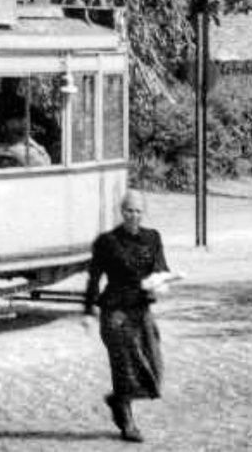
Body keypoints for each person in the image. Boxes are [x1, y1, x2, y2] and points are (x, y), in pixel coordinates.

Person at [83, 189, 170, 443]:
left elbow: (161, 268)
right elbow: (94, 279)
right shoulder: (107, 241)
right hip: (115, 313)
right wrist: (88, 311)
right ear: (122, 212)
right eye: (129, 211)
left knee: (153, 367)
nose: (134, 216)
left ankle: (117, 399)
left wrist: (160, 282)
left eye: (138, 211)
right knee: (125, 368)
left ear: (144, 213)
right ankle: (128, 423)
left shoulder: (153, 238)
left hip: (141, 310)